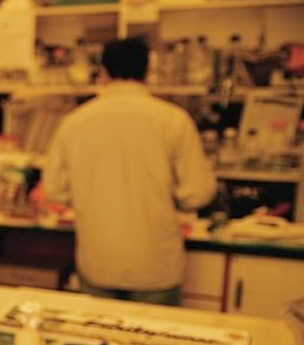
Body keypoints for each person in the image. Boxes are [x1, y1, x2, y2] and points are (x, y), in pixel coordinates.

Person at [41, 36, 217, 306]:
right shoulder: (173, 120)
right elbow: (198, 193)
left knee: (100, 344)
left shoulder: (75, 123)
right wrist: (170, 196)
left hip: (99, 261)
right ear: (147, 71)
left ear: (104, 72)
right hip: (156, 265)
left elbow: (53, 190)